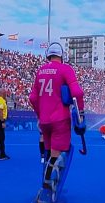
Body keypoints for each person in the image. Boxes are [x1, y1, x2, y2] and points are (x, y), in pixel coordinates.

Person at [29, 42, 85, 194]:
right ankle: (48, 184)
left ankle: (47, 181)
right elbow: (77, 93)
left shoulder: (40, 70)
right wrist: (81, 114)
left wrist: (40, 114)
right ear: (62, 56)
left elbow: (33, 98)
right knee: (59, 152)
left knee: (48, 152)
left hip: (45, 120)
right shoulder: (66, 69)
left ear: (48, 55)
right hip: (60, 119)